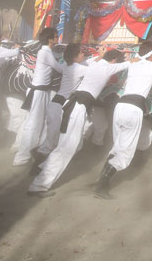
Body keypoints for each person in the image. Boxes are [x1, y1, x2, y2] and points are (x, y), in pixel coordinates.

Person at [28, 48, 131, 198]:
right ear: (114, 61)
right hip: (79, 105)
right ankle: (39, 185)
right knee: (66, 148)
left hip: (73, 104)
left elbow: (97, 61)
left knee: (75, 145)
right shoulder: (108, 67)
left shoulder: (93, 65)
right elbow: (128, 65)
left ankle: (43, 167)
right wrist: (132, 59)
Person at [93, 41, 152, 199]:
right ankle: (101, 185)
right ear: (151, 56)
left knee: (117, 147)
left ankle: (101, 180)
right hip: (133, 108)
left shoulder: (134, 65)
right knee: (124, 154)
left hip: (120, 107)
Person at [33, 39, 85, 171]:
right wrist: (101, 58)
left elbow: (86, 63)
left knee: (52, 138)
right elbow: (95, 71)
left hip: (56, 103)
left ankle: (39, 162)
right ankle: (36, 169)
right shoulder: (78, 68)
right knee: (51, 140)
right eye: (81, 53)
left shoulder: (67, 66)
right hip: (59, 105)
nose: (83, 55)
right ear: (75, 56)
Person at [14, 28, 63, 166]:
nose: (57, 38)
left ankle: (32, 151)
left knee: (39, 122)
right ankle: (22, 156)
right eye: (55, 36)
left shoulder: (47, 51)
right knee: (33, 123)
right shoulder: (45, 52)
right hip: (38, 91)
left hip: (41, 90)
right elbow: (59, 69)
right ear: (50, 39)